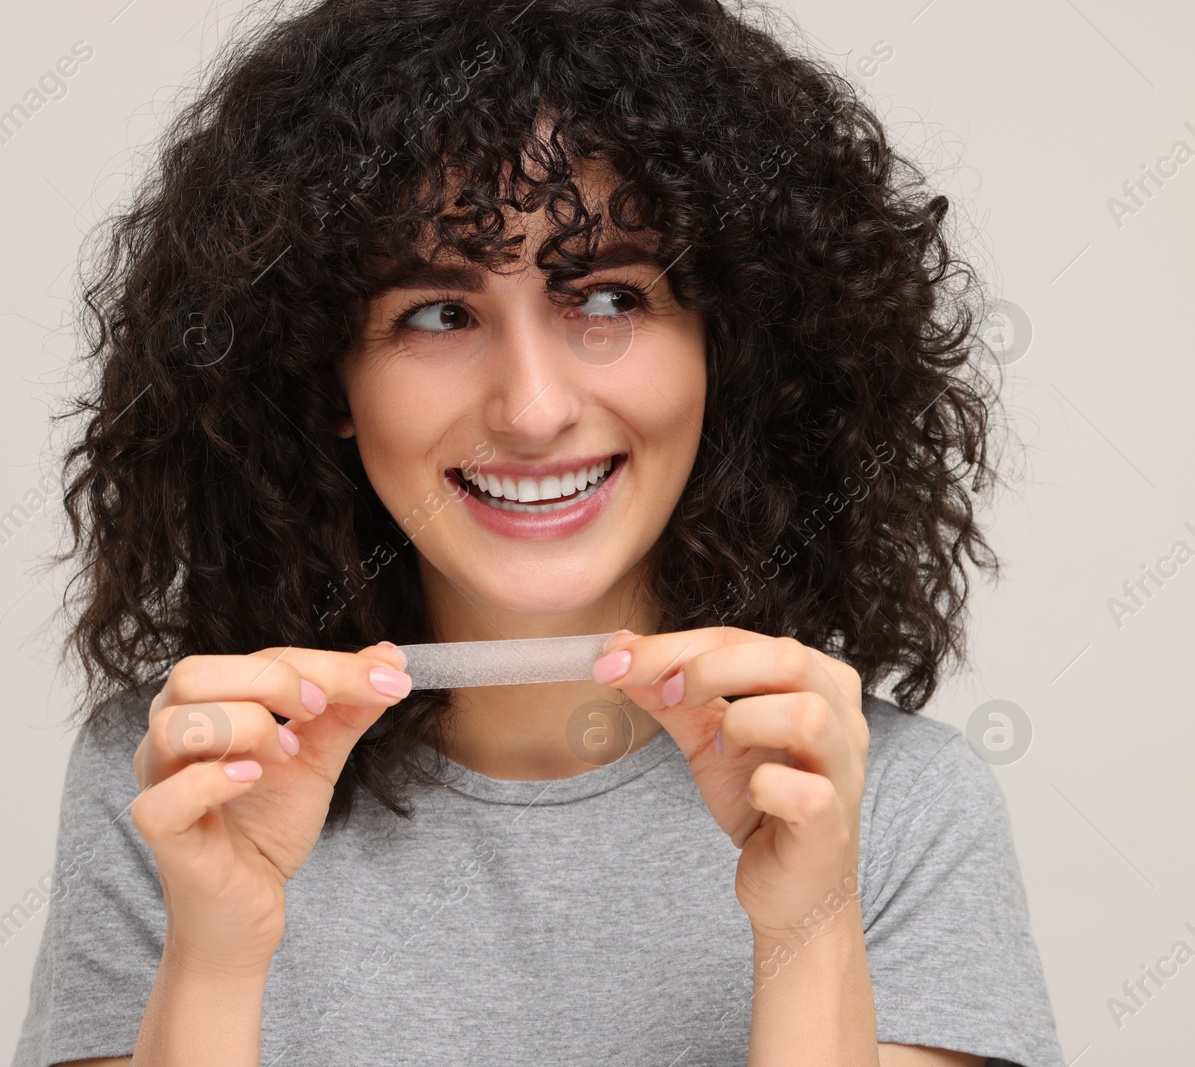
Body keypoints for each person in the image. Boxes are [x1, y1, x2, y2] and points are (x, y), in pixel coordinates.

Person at [11, 0, 1063, 1064]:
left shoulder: (894, 809)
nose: (531, 408)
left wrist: (808, 922)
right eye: (437, 314)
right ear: (322, 371)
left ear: (726, 346)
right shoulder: (178, 782)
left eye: (605, 297)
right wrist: (216, 951)